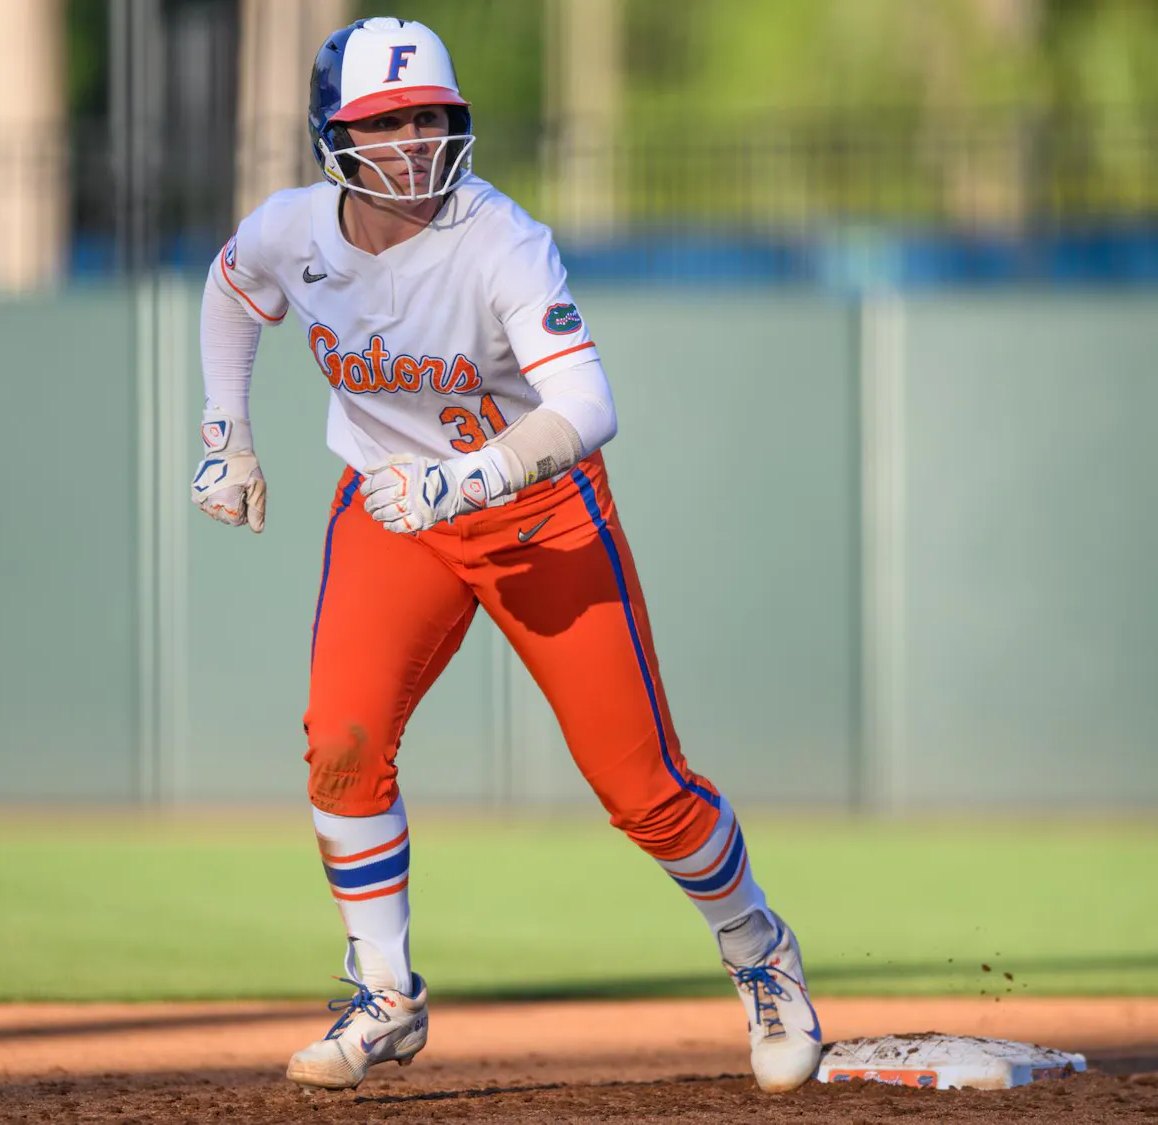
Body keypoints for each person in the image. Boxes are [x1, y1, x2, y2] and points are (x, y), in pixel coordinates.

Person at [190, 16, 822, 1095]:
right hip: (394, 512)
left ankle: (759, 949)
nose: (416, 140)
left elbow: (587, 401)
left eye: (431, 116)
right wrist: (226, 435)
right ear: (333, 138)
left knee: (641, 789)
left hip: (536, 509)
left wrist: (469, 478)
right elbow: (235, 289)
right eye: (387, 123)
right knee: (341, 742)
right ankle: (385, 994)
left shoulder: (500, 239)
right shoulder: (294, 229)